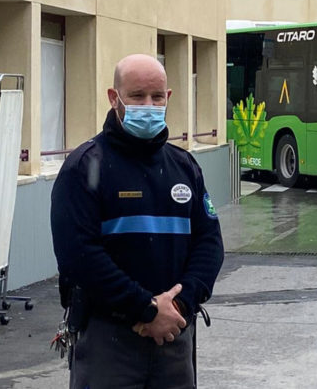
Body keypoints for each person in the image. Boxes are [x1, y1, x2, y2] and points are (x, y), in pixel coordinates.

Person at [51, 54, 225, 388]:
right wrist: (145, 309)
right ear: (114, 98)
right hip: (108, 341)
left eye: (157, 97)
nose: (149, 104)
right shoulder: (84, 167)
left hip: (174, 335)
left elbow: (209, 243)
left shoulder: (185, 167)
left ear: (168, 98)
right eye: (137, 96)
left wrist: (179, 303)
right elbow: (79, 257)